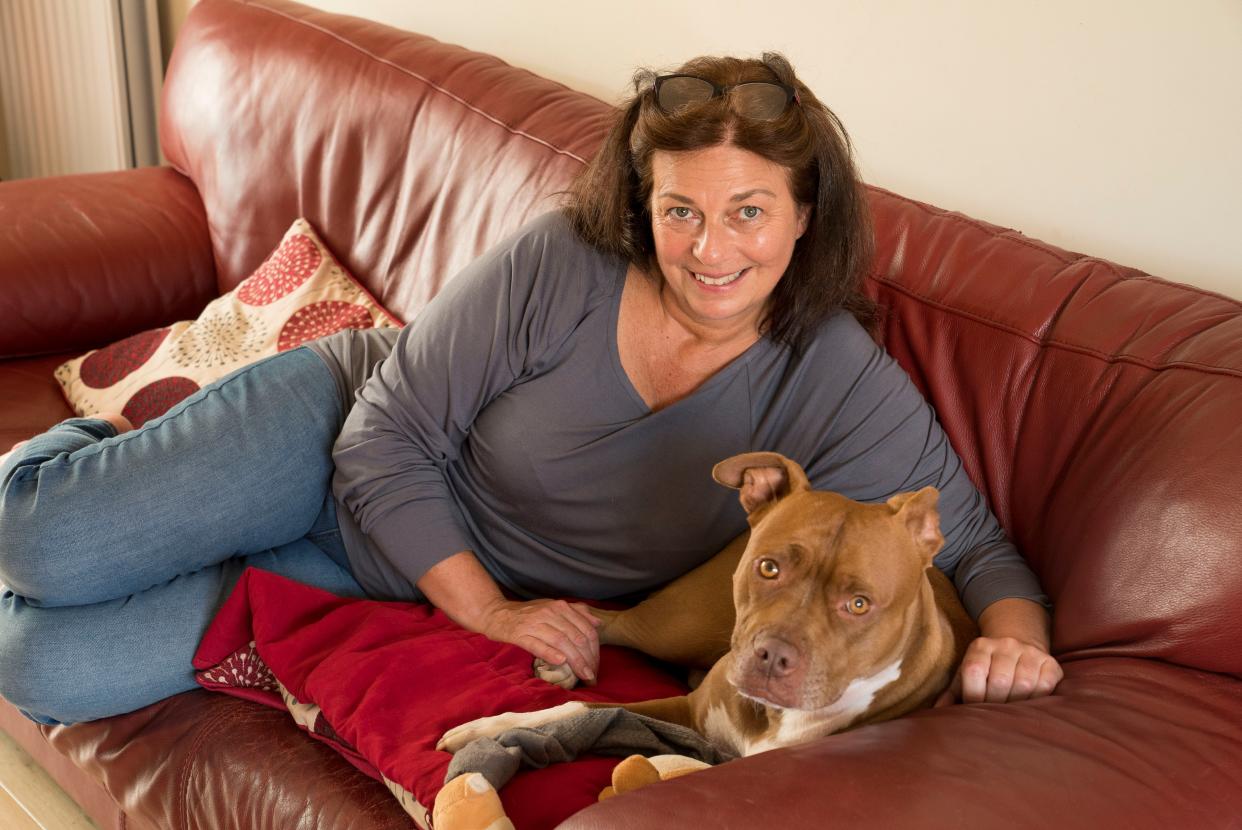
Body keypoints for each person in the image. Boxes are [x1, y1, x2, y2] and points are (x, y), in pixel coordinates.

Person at [0, 53, 1061, 726]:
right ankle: (75, 444)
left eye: (748, 211)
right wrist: (493, 610)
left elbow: (970, 547)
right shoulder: (566, 259)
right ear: (640, 207)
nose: (710, 250)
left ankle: (182, 518)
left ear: (804, 215)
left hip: (374, 575)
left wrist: (1019, 645)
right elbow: (387, 438)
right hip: (335, 438)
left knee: (40, 662)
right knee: (40, 543)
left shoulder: (835, 377)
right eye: (679, 210)